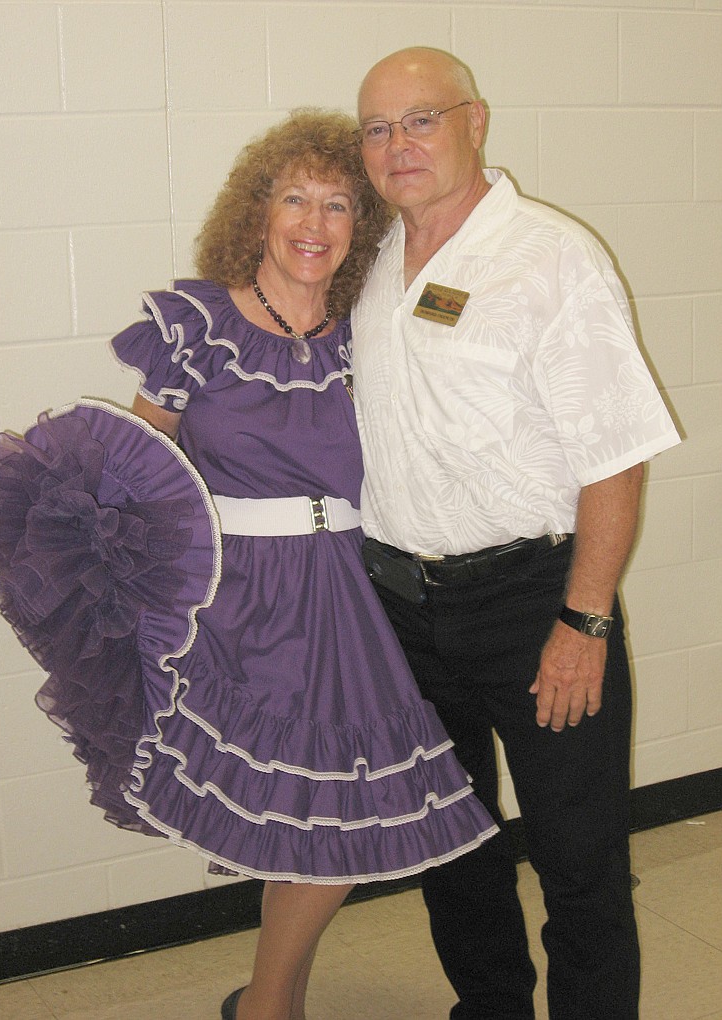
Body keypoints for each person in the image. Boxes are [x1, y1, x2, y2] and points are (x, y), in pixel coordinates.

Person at [0, 110, 499, 1020]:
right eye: (294, 197)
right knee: (304, 816)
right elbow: (137, 461)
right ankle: (270, 1004)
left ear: (357, 225)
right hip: (241, 601)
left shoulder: (365, 328)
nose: (314, 223)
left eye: (337, 204)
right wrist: (121, 586)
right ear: (257, 211)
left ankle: (265, 999)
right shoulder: (195, 326)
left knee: (328, 815)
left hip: (350, 597)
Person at [351, 49, 681, 1020]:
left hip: (536, 604)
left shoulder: (551, 256)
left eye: (421, 119)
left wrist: (585, 623)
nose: (398, 145)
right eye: (377, 127)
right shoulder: (373, 261)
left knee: (580, 863)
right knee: (450, 847)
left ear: (476, 122)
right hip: (403, 611)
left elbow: (616, 454)